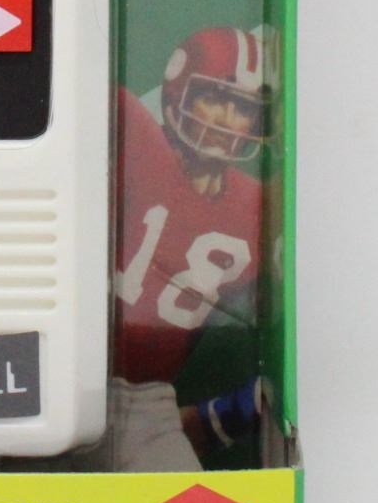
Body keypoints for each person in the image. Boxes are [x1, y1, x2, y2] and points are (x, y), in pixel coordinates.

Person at [111, 26, 276, 469]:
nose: (226, 119)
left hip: (146, 403)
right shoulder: (133, 137)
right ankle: (205, 424)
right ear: (178, 90)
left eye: (242, 108)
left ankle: (203, 424)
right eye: (215, 98)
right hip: (68, 375)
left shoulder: (255, 207)